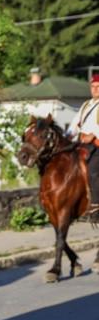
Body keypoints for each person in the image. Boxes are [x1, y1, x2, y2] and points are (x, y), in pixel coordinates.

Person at [66, 73, 99, 215]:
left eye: (98, 87)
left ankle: (96, 204)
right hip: (83, 145)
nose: (95, 90)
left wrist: (92, 135)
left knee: (92, 170)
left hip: (97, 146)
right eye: (93, 87)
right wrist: (67, 137)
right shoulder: (86, 105)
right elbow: (74, 125)